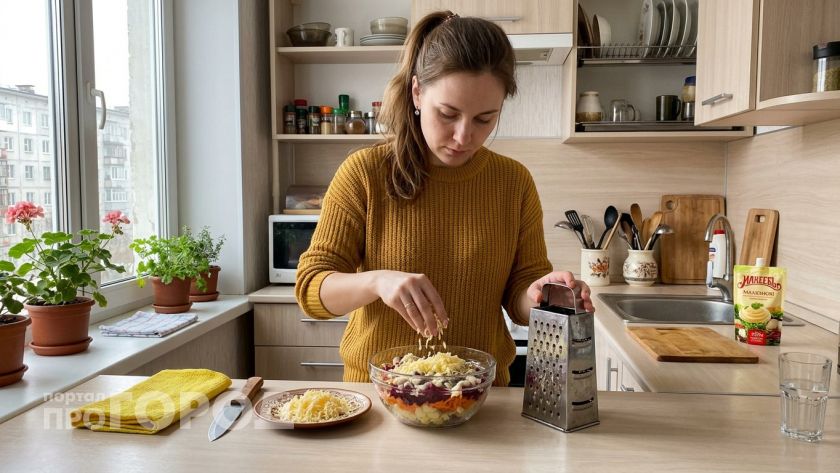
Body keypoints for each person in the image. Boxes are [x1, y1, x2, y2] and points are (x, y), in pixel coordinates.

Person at [296, 10, 593, 386]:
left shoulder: (513, 182)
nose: (463, 136)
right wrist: (377, 283)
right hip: (380, 398)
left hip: (478, 397)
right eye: (448, 114)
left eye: (485, 119)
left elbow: (520, 298)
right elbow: (311, 288)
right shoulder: (365, 173)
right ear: (418, 92)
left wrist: (539, 294)